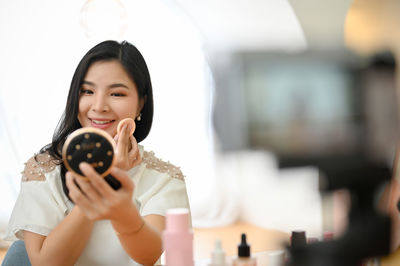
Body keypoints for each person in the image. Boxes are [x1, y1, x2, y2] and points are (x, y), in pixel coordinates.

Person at [3, 40, 191, 266]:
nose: (99, 105)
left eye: (117, 94)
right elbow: (46, 263)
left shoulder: (164, 178)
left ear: (141, 103)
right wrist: (103, 180)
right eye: (88, 91)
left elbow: (148, 256)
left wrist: (120, 205)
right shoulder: (43, 169)